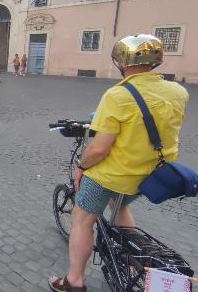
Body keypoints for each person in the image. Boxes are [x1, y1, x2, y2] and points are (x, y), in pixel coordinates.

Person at [48, 35, 189, 292]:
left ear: (120, 62)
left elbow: (99, 149)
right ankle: (134, 259)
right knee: (120, 206)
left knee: (82, 220)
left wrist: (81, 166)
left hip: (112, 175)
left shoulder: (118, 95)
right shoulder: (179, 92)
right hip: (151, 176)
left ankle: (74, 281)